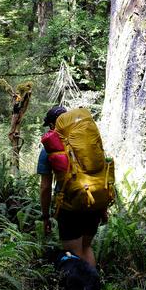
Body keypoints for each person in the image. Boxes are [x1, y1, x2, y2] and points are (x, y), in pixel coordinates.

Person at [37, 105, 104, 267]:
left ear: (54, 125)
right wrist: (103, 207)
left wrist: (45, 216)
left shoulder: (50, 149)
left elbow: (45, 187)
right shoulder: (87, 140)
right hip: (93, 202)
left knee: (74, 255)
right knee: (86, 248)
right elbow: (100, 172)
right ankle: (92, 289)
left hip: (70, 206)